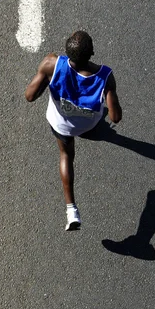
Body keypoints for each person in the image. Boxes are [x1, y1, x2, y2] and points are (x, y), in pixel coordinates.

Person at [25, 31, 122, 230]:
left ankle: (71, 210)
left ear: (68, 52)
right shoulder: (105, 76)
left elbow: (29, 96)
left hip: (61, 124)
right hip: (87, 123)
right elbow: (116, 117)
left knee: (66, 156)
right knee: (100, 116)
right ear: (92, 52)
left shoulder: (52, 64)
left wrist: (46, 73)